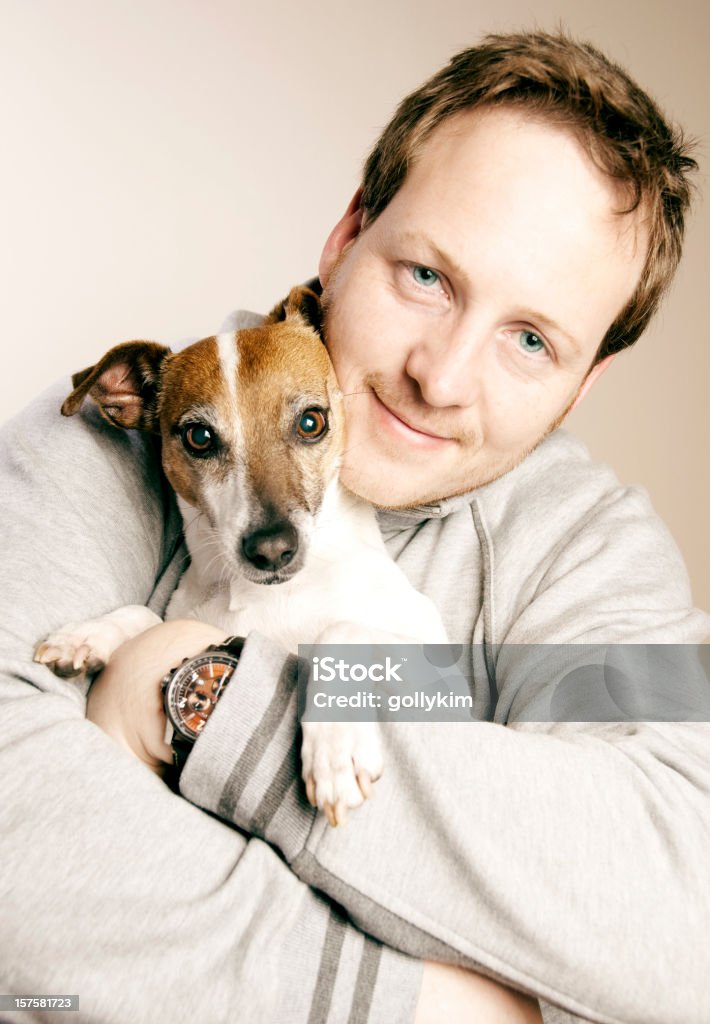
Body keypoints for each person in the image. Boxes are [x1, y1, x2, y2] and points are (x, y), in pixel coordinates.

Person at [1, 28, 708, 1024]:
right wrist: (430, 1007)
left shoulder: (597, 552)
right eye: (426, 276)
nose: (440, 376)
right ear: (344, 238)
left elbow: (684, 918)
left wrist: (191, 689)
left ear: (583, 380)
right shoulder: (119, 445)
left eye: (530, 338)